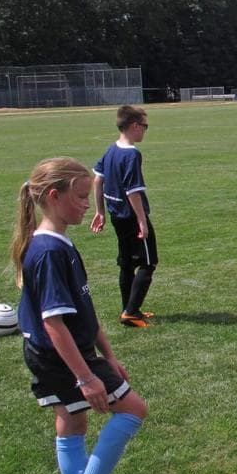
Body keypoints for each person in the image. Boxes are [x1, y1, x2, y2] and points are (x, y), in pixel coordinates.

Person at [10, 157, 149, 474]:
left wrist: (108, 354)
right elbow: (54, 324)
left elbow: (81, 310)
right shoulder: (48, 252)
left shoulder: (58, 243)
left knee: (73, 423)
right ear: (54, 197)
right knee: (134, 409)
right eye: (81, 196)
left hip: (65, 352)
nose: (88, 204)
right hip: (60, 356)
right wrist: (87, 377)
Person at [90, 105, 157, 328]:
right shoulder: (131, 154)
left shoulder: (111, 150)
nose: (145, 131)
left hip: (116, 215)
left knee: (127, 264)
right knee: (148, 263)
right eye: (144, 126)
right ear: (135, 126)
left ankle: (128, 309)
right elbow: (132, 191)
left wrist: (100, 210)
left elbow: (98, 180)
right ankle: (130, 312)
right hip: (131, 217)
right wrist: (141, 221)